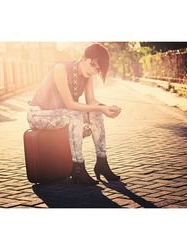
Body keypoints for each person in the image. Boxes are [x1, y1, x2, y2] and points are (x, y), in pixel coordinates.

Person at [27, 43, 121, 186]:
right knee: (75, 114)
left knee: (95, 114)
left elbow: (91, 101)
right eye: (92, 64)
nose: (94, 70)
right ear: (84, 57)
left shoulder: (88, 76)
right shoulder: (61, 69)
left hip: (63, 114)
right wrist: (101, 109)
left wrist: (106, 108)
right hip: (39, 114)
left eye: (97, 69)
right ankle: (78, 168)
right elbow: (70, 104)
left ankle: (102, 163)